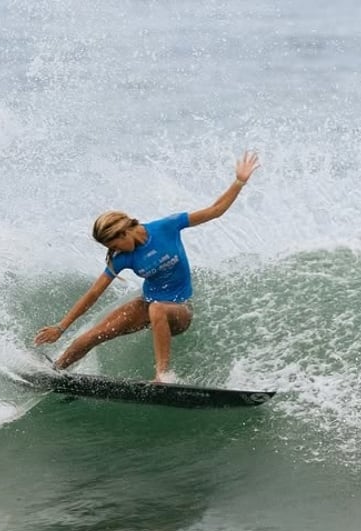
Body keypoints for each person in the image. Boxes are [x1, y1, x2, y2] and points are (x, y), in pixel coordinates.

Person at [34, 151, 261, 383]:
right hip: (148, 305)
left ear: (124, 231)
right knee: (93, 335)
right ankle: (54, 372)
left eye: (114, 244)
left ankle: (163, 375)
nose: (116, 251)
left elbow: (215, 210)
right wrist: (61, 327)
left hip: (179, 309)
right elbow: (94, 293)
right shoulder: (123, 257)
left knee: (158, 309)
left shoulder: (166, 227)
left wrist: (239, 181)